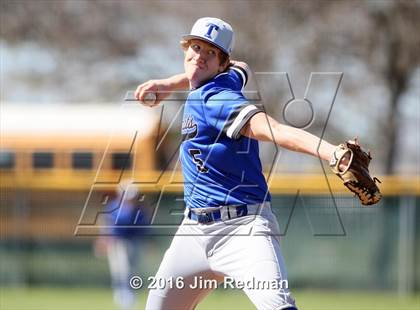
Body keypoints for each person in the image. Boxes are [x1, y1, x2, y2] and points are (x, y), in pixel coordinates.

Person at [135, 17, 349, 310]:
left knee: (278, 307)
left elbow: (273, 129)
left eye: (210, 52)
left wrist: (332, 153)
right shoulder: (228, 76)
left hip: (243, 228)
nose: (199, 55)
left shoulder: (217, 98)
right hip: (194, 231)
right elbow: (243, 67)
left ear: (222, 62)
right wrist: (170, 83)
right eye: (195, 46)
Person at [94, 181, 149, 310]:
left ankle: (130, 294)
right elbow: (107, 226)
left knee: (132, 269)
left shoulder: (139, 210)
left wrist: (147, 242)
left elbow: (144, 228)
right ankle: (121, 294)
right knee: (120, 269)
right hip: (117, 242)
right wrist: (103, 240)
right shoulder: (114, 207)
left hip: (133, 242)